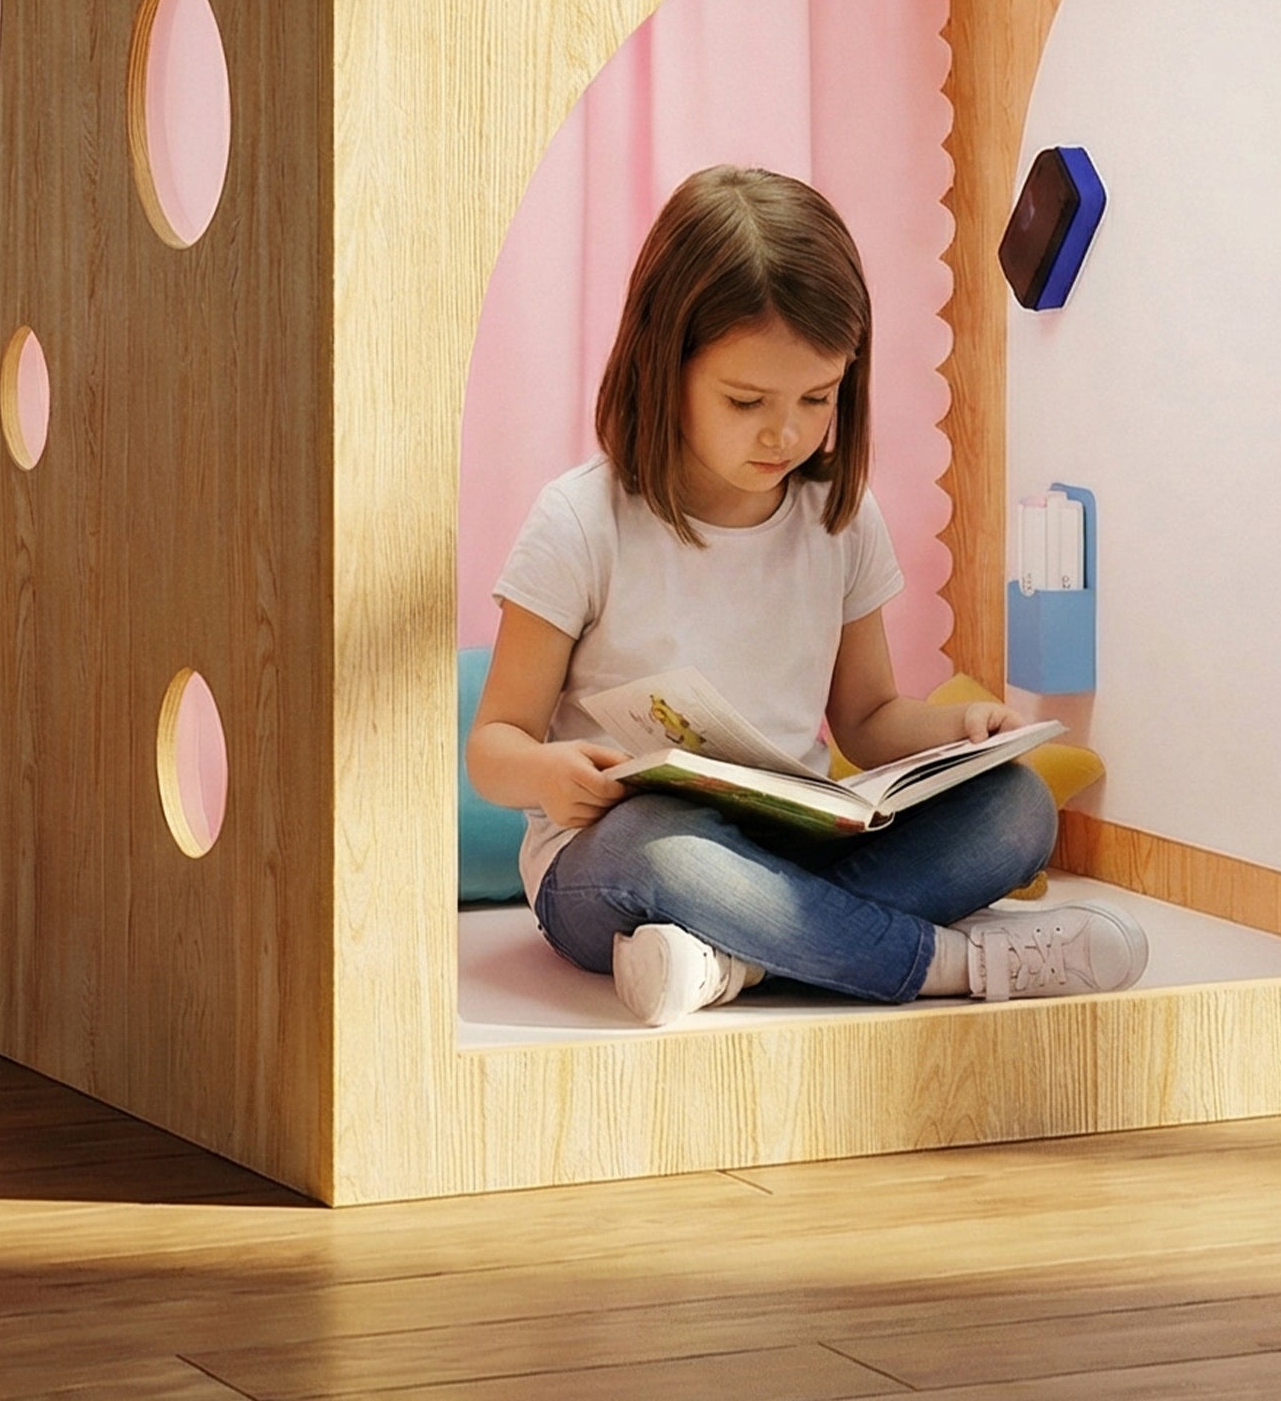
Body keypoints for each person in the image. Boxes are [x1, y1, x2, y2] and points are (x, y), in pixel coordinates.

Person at [467, 165, 1149, 1026]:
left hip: (794, 852)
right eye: (746, 400)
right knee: (665, 848)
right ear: (663, 365)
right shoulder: (581, 520)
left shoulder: (839, 518)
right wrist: (547, 772)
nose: (784, 431)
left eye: (817, 397)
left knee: (1015, 809)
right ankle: (950, 965)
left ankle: (729, 961)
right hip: (614, 865)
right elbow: (493, 744)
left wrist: (958, 732)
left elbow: (866, 720)